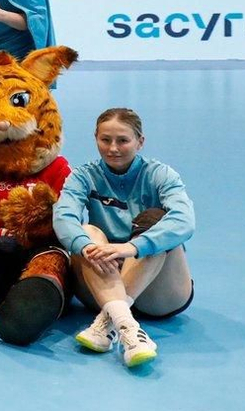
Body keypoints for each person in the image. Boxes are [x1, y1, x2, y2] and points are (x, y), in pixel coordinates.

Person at [53, 108, 194, 368]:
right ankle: (129, 329)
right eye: (105, 140)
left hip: (159, 295)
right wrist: (84, 246)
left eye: (123, 140)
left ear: (140, 142)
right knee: (87, 233)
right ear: (95, 138)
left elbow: (184, 220)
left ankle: (108, 321)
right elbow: (63, 217)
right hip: (103, 279)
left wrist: (132, 247)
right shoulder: (84, 176)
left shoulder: (161, 174)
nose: (113, 148)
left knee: (157, 221)